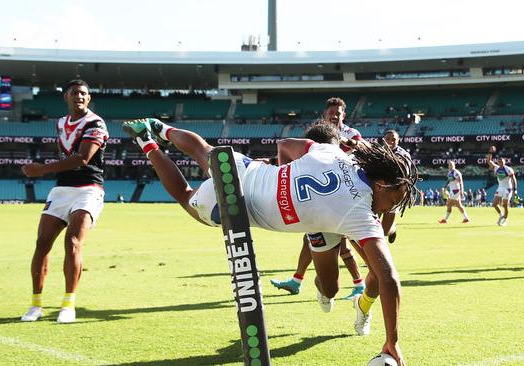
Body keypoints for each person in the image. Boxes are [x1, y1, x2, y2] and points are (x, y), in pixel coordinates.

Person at [123, 118, 417, 365]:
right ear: (381, 184)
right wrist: (392, 341)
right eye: (393, 200)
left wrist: (283, 178)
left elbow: (290, 146)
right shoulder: (359, 212)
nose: (389, 209)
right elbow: (388, 277)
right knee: (186, 197)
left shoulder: (334, 152)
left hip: (247, 169)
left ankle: (158, 129)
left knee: (204, 150)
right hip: (235, 205)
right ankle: (147, 146)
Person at [20, 80, 108, 323]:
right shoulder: (60, 123)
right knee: (42, 243)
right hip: (61, 190)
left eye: (84, 94)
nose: (79, 96)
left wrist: (42, 170)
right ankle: (36, 305)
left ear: (89, 98)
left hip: (89, 189)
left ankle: (68, 305)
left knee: (72, 242)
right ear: (66, 97)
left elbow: (83, 158)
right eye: (74, 93)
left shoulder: (96, 123)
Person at [271, 98, 367, 299]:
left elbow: (364, 148)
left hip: (343, 192)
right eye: (331, 112)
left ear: (344, 115)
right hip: (320, 191)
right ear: (325, 114)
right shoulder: (317, 134)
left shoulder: (350, 134)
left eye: (338, 112)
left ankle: (361, 284)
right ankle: (297, 280)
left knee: (344, 241)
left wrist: (345, 142)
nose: (334, 115)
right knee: (313, 239)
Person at [380, 130, 411, 243]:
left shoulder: (404, 155)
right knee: (372, 225)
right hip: (378, 190)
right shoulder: (377, 152)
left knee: (384, 231)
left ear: (398, 141)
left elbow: (405, 177)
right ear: (383, 140)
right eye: (388, 138)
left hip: (394, 191)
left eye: (393, 139)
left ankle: (392, 230)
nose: (390, 141)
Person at [486, 146, 518, 226]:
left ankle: (505, 219)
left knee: (504, 205)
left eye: (502, 161)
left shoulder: (508, 169)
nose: (501, 162)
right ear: (498, 162)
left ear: (504, 162)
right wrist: (490, 152)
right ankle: (501, 215)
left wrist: (515, 189)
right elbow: (488, 161)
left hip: (508, 188)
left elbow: (514, 179)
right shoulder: (496, 168)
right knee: (494, 204)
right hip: (500, 188)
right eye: (499, 161)